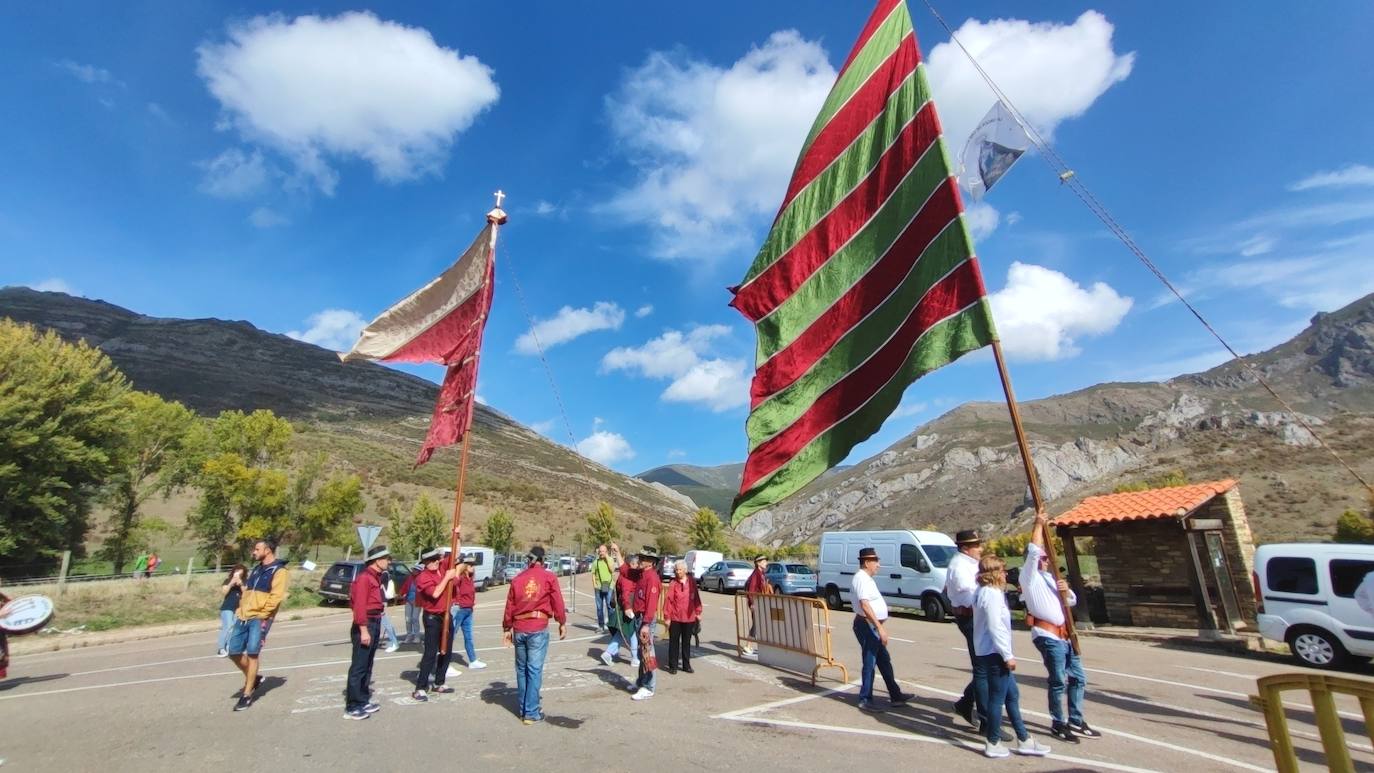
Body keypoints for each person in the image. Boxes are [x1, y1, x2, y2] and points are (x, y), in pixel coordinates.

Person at [1024, 511, 1100, 742]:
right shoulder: (1030, 577)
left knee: (1078, 678)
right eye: (1044, 558)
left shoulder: (1051, 578)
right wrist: (1038, 524)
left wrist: (1065, 592)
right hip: (1047, 634)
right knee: (1058, 680)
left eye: (1047, 558)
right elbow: (1033, 549)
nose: (1046, 560)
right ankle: (1058, 722)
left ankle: (1075, 719)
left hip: (1066, 635)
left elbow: (1071, 601)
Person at [974, 554, 1050, 759]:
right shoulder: (990, 594)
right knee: (997, 698)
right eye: (1001, 570)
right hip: (994, 653)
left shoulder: (988, 592)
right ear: (993, 574)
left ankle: (1024, 739)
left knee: (1012, 695)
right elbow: (994, 626)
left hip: (992, 651)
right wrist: (1007, 655)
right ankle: (993, 741)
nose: (1005, 574)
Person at [502, 545, 567, 724]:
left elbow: (510, 606)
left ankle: (524, 708)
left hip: (519, 627)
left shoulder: (517, 579)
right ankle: (531, 712)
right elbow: (557, 602)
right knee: (534, 669)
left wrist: (507, 628)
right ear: (542, 560)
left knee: (522, 670)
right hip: (537, 627)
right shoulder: (548, 577)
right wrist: (562, 622)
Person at [228, 538, 289, 712]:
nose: (253, 552)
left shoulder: (279, 570)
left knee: (253, 653)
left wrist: (263, 614)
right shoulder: (257, 569)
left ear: (268, 550)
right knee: (234, 651)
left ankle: (247, 694)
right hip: (243, 616)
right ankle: (253, 677)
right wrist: (241, 609)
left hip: (260, 618)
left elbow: (276, 596)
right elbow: (248, 593)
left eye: (257, 549)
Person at [850, 547, 912, 712]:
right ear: (866, 562)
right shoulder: (861, 578)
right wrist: (879, 628)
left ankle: (895, 695)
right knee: (869, 662)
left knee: (884, 660)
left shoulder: (867, 578)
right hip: (866, 625)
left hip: (870, 625)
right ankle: (865, 699)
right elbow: (864, 605)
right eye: (875, 561)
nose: (878, 565)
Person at [945, 529, 987, 731]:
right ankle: (985, 717)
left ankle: (966, 703)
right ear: (965, 548)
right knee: (982, 668)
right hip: (969, 617)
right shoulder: (960, 566)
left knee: (984, 668)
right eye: (976, 545)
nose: (980, 549)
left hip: (976, 617)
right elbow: (971, 592)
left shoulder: (969, 564)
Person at [345, 544, 391, 720]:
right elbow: (359, 606)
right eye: (386, 558)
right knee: (359, 666)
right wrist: (364, 630)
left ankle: (363, 700)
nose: (388, 561)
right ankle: (352, 705)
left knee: (367, 664)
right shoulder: (365, 578)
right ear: (377, 560)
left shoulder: (375, 577)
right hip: (366, 624)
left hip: (374, 621)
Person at [411, 548, 460, 701]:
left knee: (446, 651)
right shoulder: (422, 577)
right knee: (430, 653)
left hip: (446, 614)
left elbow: (456, 553)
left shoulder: (442, 568)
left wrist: (457, 533)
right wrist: (447, 578)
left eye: (434, 559)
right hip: (432, 617)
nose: (432, 563)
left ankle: (440, 682)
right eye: (428, 561)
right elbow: (435, 593)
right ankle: (420, 687)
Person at [631, 547, 662, 700]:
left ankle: (649, 686)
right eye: (641, 557)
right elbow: (625, 571)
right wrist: (617, 553)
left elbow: (651, 604)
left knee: (647, 652)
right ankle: (641, 681)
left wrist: (646, 624)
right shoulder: (643, 575)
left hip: (645, 619)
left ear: (651, 562)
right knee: (641, 651)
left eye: (643, 558)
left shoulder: (652, 578)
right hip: (639, 617)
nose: (640, 560)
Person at [601, 545, 639, 667]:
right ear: (631, 564)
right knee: (630, 634)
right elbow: (626, 594)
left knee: (625, 633)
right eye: (636, 564)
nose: (637, 566)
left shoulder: (626, 575)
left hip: (624, 608)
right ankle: (631, 658)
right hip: (626, 610)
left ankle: (612, 653)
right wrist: (628, 608)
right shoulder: (627, 578)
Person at [664, 559, 702, 674]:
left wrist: (698, 612)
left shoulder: (692, 582)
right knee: (674, 642)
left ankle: (686, 665)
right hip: (675, 617)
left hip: (689, 617)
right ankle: (673, 666)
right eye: (676, 570)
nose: (678, 572)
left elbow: (696, 598)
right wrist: (667, 617)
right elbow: (668, 601)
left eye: (680, 570)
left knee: (686, 642)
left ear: (685, 570)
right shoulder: (673, 583)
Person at [448, 553, 486, 669]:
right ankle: (444, 664)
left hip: (468, 610)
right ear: (464, 566)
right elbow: (452, 585)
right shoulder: (460, 578)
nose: (472, 567)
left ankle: (473, 660)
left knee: (469, 637)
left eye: (473, 565)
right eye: (470, 565)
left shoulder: (470, 578)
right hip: (459, 610)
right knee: (450, 637)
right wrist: (458, 572)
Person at [742, 554, 773, 656]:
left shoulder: (761, 573)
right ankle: (748, 646)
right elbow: (751, 590)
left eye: (766, 561)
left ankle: (757, 646)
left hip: (761, 603)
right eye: (764, 561)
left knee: (759, 625)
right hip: (756, 603)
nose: (766, 563)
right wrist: (752, 603)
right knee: (756, 624)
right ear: (758, 563)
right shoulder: (756, 574)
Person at [216, 564, 246, 657]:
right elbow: (224, 591)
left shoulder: (244, 582)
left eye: (240, 573)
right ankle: (221, 648)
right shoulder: (227, 581)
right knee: (228, 626)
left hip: (238, 608)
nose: (238, 575)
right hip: (227, 607)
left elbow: (246, 592)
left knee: (234, 628)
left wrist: (240, 583)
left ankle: (230, 647)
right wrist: (231, 583)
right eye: (237, 572)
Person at [592, 544, 618, 634]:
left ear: (606, 552)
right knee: (599, 607)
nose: (601, 553)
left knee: (610, 606)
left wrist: (607, 558)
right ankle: (601, 626)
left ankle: (611, 626)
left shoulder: (610, 559)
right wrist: (594, 584)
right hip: (598, 587)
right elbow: (593, 573)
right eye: (600, 551)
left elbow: (612, 570)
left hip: (609, 586)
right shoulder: (596, 562)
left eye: (603, 551)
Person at [400, 564, 421, 644]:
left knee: (415, 618)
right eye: (413, 569)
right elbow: (405, 587)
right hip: (408, 600)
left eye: (415, 570)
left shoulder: (421, 578)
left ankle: (417, 636)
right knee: (408, 619)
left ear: (419, 571)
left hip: (417, 601)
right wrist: (400, 594)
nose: (413, 571)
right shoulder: (410, 578)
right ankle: (409, 635)